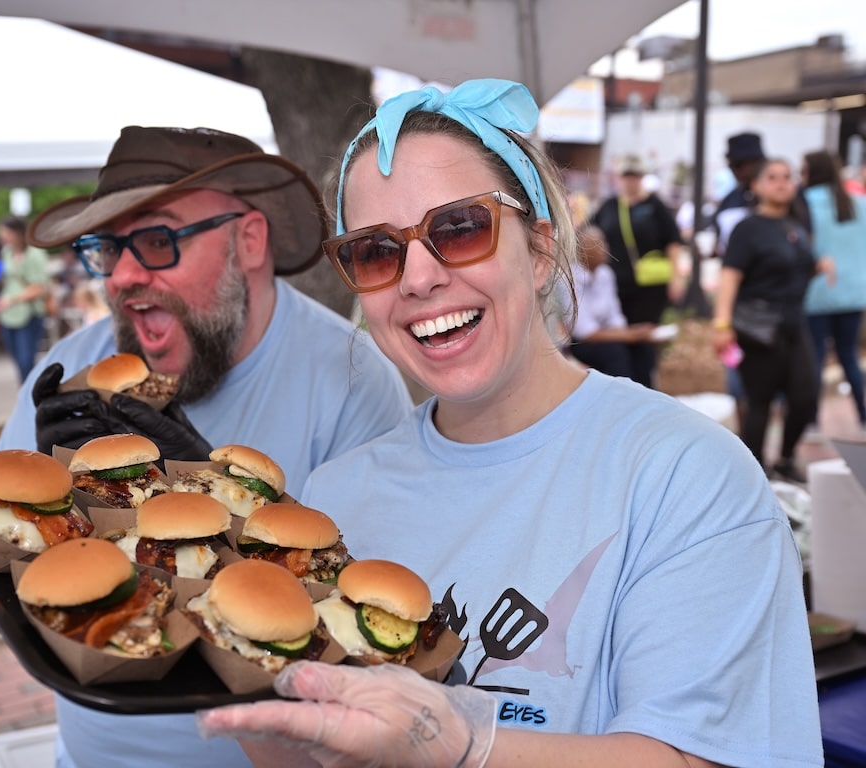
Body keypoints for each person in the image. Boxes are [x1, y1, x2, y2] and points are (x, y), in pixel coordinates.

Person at [197, 79, 823, 767]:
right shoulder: (334, 500)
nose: (419, 277)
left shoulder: (685, 474)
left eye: (459, 228)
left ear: (541, 248)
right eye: (376, 251)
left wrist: (464, 745)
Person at [0, 125, 414, 768]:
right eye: (108, 249)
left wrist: (201, 489)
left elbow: (377, 656)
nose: (124, 277)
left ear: (247, 241)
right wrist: (36, 505)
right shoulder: (71, 369)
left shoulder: (354, 382)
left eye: (158, 240)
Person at [711, 158, 831, 484]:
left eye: (787, 177)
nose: (782, 183)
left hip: (794, 324)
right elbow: (730, 277)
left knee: (806, 396)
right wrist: (722, 324)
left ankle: (786, 458)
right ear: (758, 186)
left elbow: (794, 266)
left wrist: (819, 266)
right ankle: (755, 473)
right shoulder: (748, 228)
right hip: (757, 327)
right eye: (773, 178)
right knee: (760, 403)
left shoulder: (794, 226)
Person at [590, 154, 684, 388]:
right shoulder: (610, 206)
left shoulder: (655, 206)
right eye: (626, 176)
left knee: (645, 338)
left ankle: (645, 386)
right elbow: (590, 234)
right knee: (622, 338)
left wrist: (676, 277)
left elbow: (673, 241)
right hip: (616, 287)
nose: (630, 181)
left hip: (650, 288)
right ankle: (627, 386)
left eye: (635, 176)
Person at [801, 149, 866, 432]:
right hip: (853, 293)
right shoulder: (858, 203)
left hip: (816, 294)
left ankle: (813, 422)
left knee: (815, 358)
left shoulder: (804, 204)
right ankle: (863, 417)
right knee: (849, 356)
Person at [566, 225, 656, 379]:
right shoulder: (569, 280)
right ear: (581, 250)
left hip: (606, 334)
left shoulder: (605, 275)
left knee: (642, 347)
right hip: (578, 343)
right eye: (598, 244)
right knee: (615, 352)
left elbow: (615, 317)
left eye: (604, 242)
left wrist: (633, 334)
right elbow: (584, 332)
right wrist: (629, 335)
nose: (605, 248)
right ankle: (620, 400)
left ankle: (645, 396)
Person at [0, 214, 49, 383]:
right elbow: (4, 278)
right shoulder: (6, 253)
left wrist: (12, 300)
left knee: (27, 361)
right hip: (8, 314)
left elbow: (40, 286)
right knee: (18, 361)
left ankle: (31, 396)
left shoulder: (35, 254)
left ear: (17, 233)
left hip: (28, 313)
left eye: (6, 233)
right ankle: (25, 394)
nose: (3, 238)